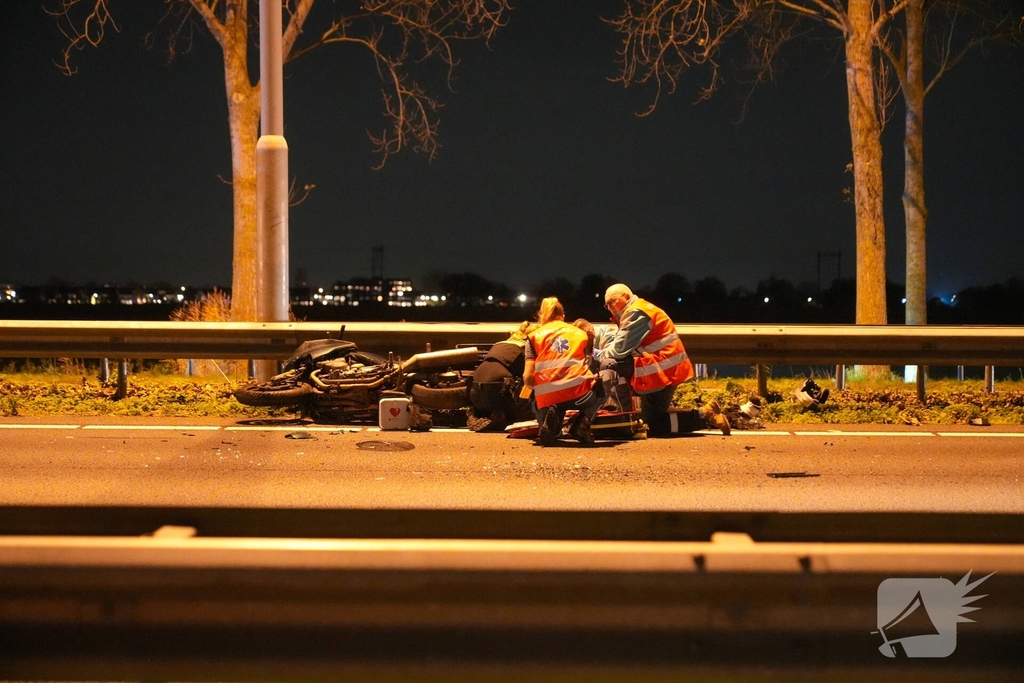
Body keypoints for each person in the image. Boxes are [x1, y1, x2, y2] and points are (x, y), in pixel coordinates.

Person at [599, 283, 729, 435]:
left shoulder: (636, 313)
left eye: (612, 301)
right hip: (658, 370)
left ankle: (627, 419)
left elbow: (619, 350)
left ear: (626, 296)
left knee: (609, 365)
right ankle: (705, 414)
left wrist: (597, 355)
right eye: (606, 304)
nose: (609, 307)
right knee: (651, 421)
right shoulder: (638, 310)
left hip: (660, 372)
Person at [524, 297, 604, 446]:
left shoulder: (533, 337)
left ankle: (552, 421)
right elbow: (589, 363)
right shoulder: (580, 333)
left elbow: (528, 377)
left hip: (547, 396)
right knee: (609, 378)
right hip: (577, 394)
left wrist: (541, 391)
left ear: (542, 316)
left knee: (541, 401)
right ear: (563, 316)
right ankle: (582, 422)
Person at [468, 321, 537, 432]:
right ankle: (503, 416)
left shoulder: (499, 344)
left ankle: (484, 414)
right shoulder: (525, 348)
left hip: (476, 394)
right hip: (498, 394)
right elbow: (528, 378)